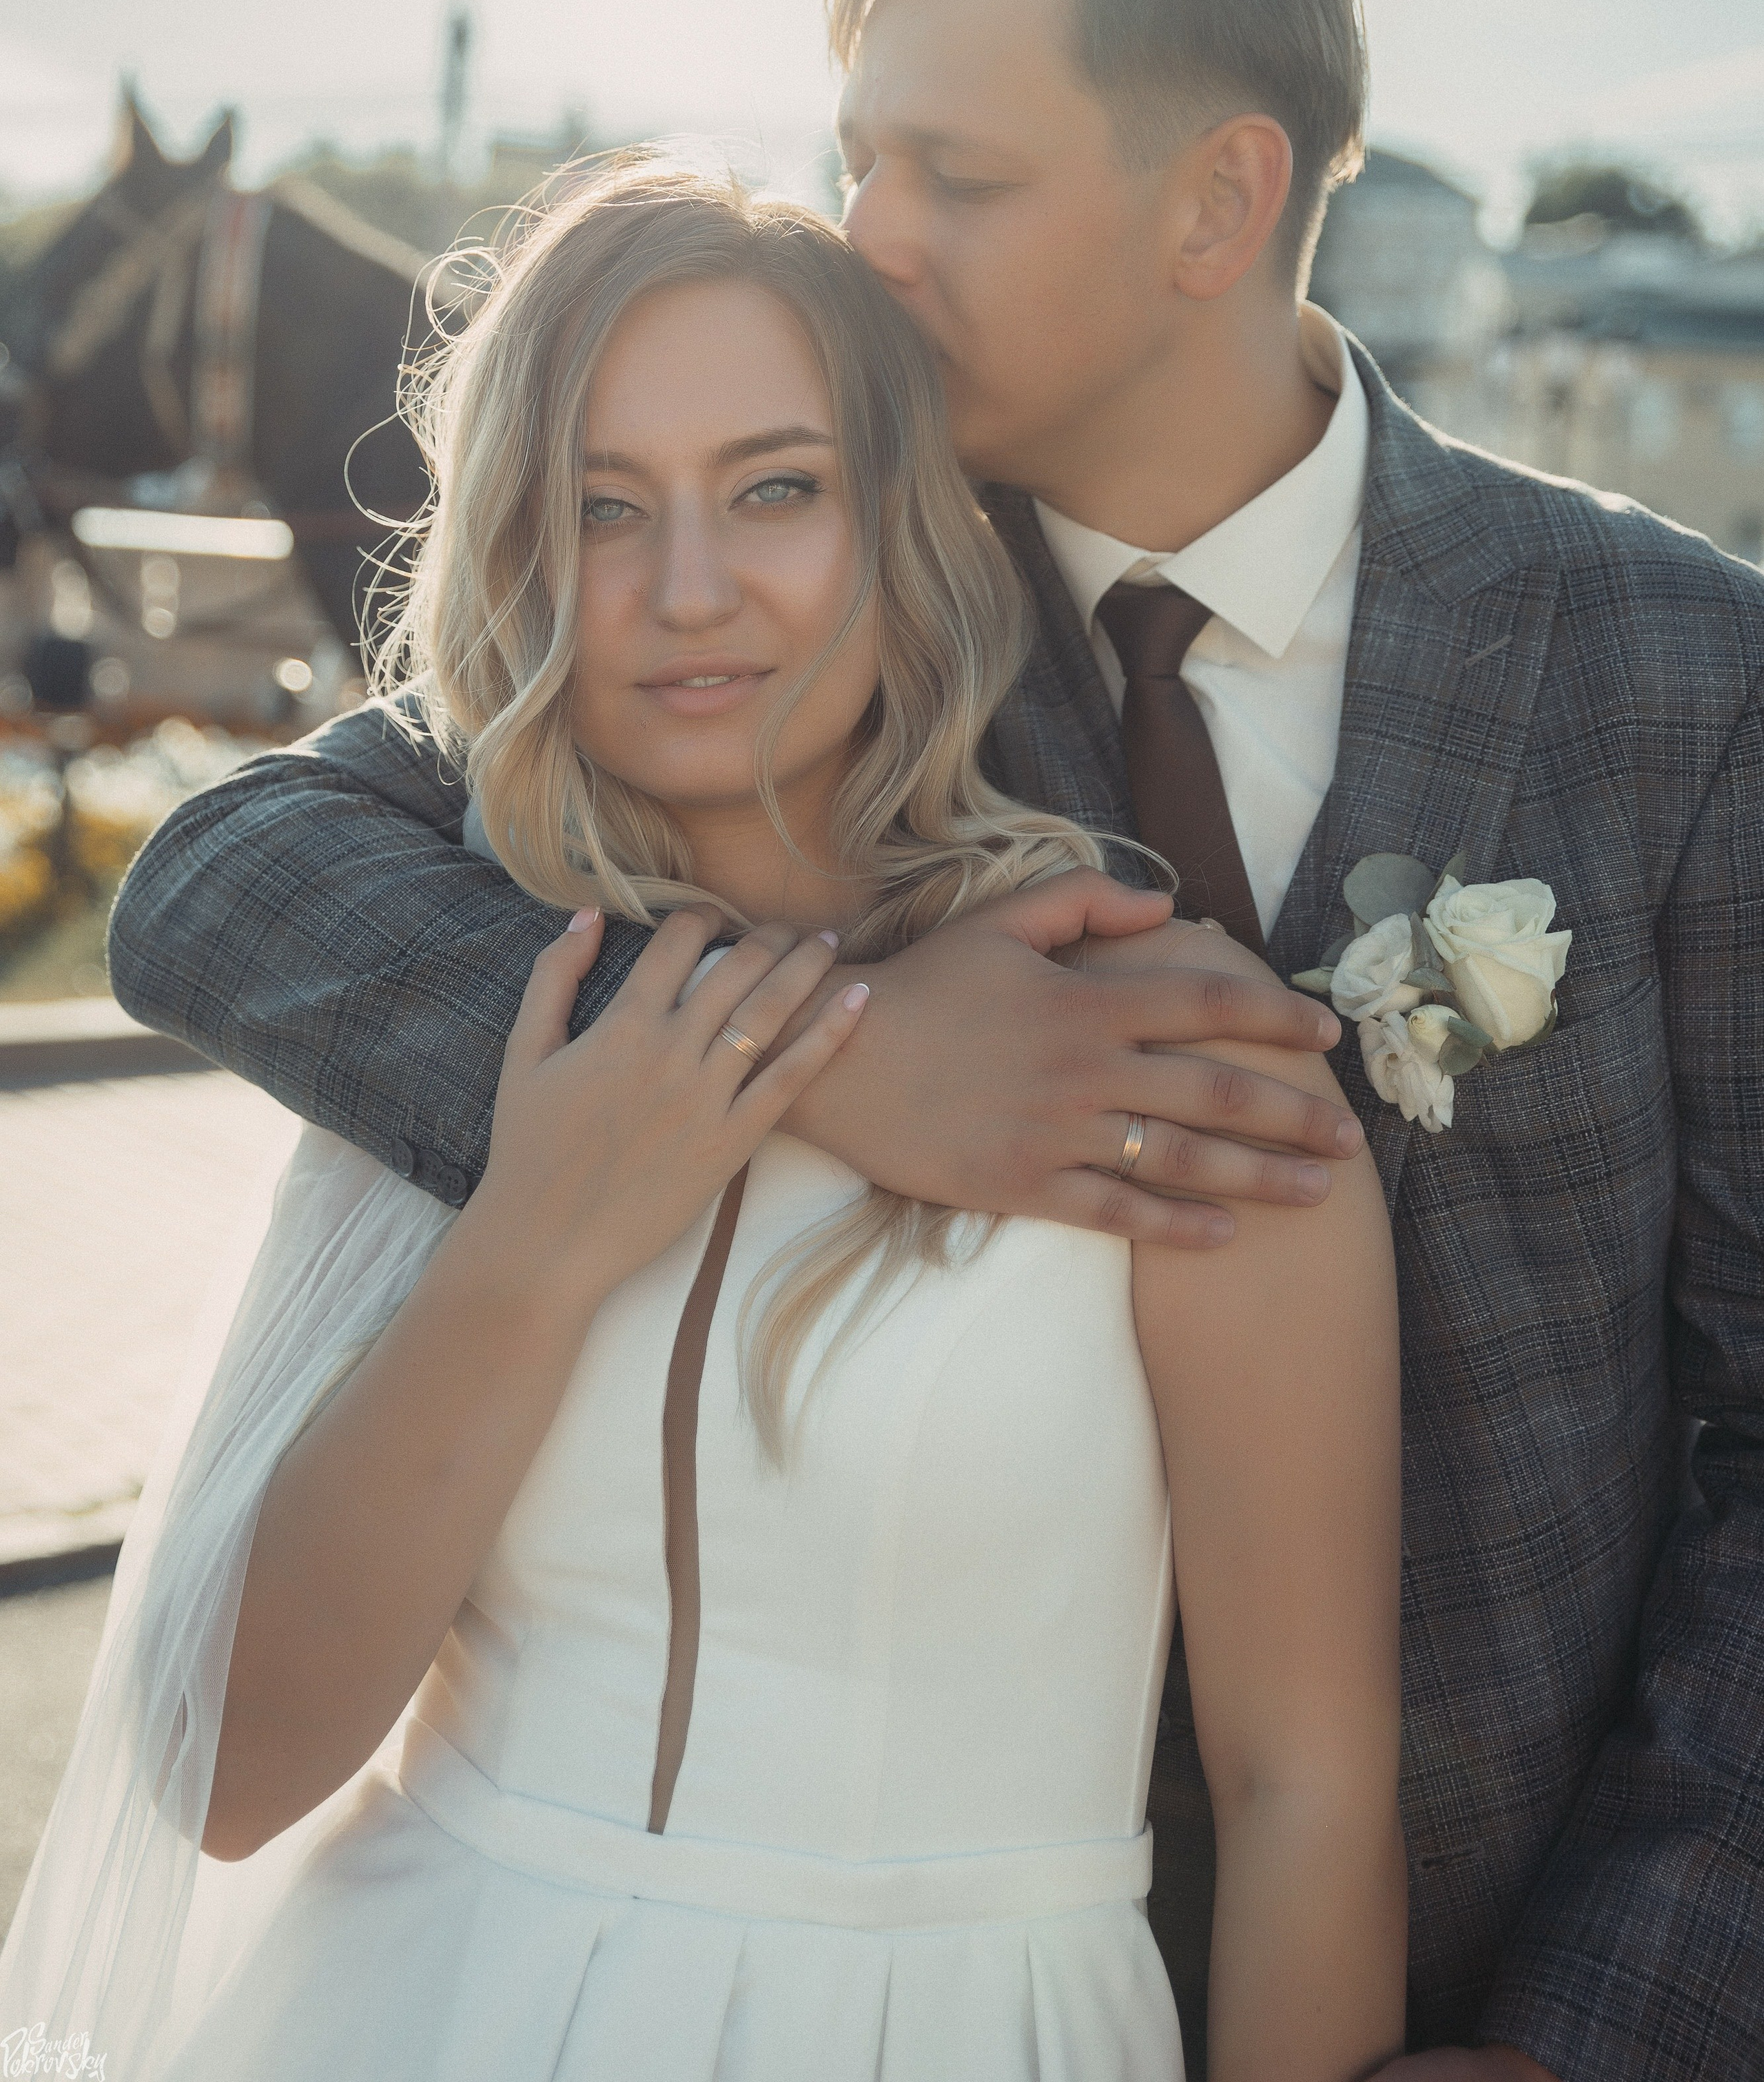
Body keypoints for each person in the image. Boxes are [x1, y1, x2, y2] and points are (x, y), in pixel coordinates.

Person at [100, 0, 1764, 2080]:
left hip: (1444, 1961)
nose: (867, 236)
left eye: (954, 175)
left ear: (1220, 200)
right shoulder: (814, 599)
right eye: (858, 154)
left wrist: (1611, 2030)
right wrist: (823, 1052)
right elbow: (229, 871)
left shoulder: (1679, 670)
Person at [0, 165, 1403, 2082]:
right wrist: (540, 1237)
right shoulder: (490, 1011)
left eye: (775, 489)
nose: (685, 591)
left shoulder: (1164, 1056)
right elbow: (229, 1780)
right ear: (517, 550)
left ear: (903, 519)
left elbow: (1306, 1788)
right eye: (602, 507)